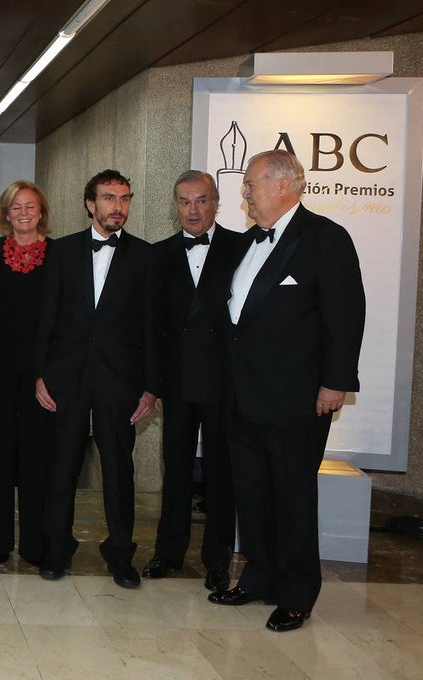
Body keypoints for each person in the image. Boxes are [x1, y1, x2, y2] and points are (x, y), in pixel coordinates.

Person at [208, 150, 365, 632]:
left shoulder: (326, 239)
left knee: (292, 494)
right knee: (252, 492)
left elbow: (346, 314)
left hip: (295, 396)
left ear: (283, 185)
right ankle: (259, 577)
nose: (246, 193)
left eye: (251, 184)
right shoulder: (248, 242)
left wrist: (336, 382)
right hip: (241, 393)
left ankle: (297, 592)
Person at [34, 169, 159, 588]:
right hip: (66, 379)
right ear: (91, 204)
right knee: (61, 467)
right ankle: (56, 549)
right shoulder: (63, 251)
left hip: (120, 382)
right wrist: (40, 375)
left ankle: (121, 554)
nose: (117, 207)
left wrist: (151, 387)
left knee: (119, 472)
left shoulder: (145, 257)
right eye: (109, 198)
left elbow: (151, 329)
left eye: (124, 199)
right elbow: (45, 320)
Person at [144, 170, 238, 591]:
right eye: (185, 202)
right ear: (175, 206)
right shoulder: (158, 255)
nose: (193, 209)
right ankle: (168, 553)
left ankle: (217, 560)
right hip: (178, 383)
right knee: (176, 470)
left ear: (216, 202)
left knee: (222, 473)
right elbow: (152, 327)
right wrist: (154, 383)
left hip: (225, 382)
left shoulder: (242, 247)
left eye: (201, 200)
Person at [0, 180, 52, 566]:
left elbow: (65, 321)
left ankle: (37, 544)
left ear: (42, 212)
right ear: (5, 214)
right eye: (15, 207)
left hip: (42, 376)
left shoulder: (59, 255)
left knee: (38, 458)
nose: (23, 213)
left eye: (30, 206)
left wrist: (50, 373)